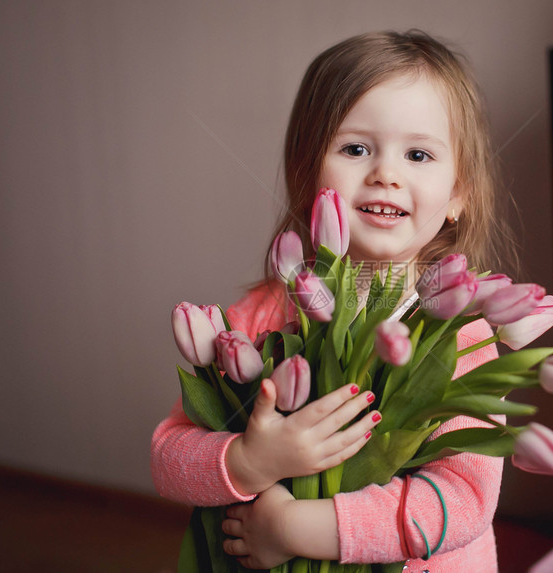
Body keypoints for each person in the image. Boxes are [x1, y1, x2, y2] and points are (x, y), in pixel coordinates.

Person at [151, 30, 518, 572]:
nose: (386, 175)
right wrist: (250, 462)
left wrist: (295, 528)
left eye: (418, 154)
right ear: (307, 174)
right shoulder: (263, 317)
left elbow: (465, 501)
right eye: (355, 148)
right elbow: (167, 458)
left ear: (458, 194)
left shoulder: (459, 337)